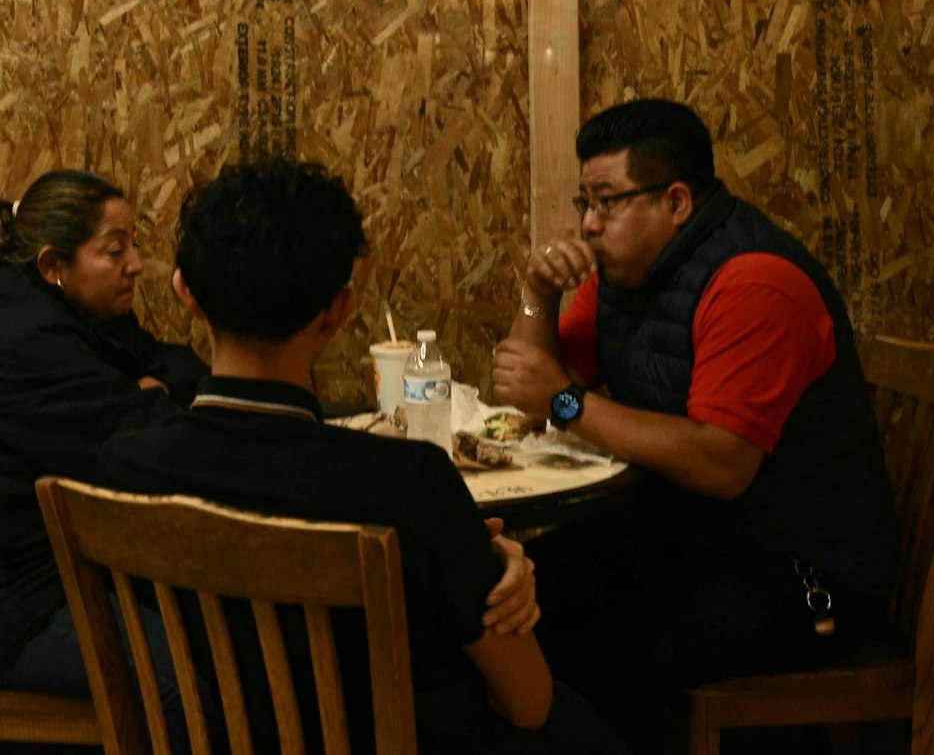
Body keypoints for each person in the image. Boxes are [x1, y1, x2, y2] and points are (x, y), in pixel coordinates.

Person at [98, 159, 625, 755]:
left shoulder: (120, 471)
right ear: (340, 311)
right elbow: (529, 704)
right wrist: (484, 568)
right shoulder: (409, 483)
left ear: (186, 294)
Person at [490, 99, 900, 751]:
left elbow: (721, 464)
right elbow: (525, 392)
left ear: (676, 202)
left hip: (803, 578)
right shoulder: (626, 270)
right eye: (584, 204)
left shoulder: (753, 283)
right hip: (706, 539)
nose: (589, 226)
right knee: (519, 591)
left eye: (607, 202)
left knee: (593, 640)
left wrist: (566, 402)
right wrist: (537, 295)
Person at [0, 169, 207, 699]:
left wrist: (148, 387)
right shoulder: (26, 340)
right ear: (52, 265)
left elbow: (174, 365)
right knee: (200, 681)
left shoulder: (69, 313)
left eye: (133, 246)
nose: (137, 265)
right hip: (6, 613)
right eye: (115, 251)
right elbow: (141, 448)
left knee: (224, 633)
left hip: (54, 573)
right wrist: (147, 395)